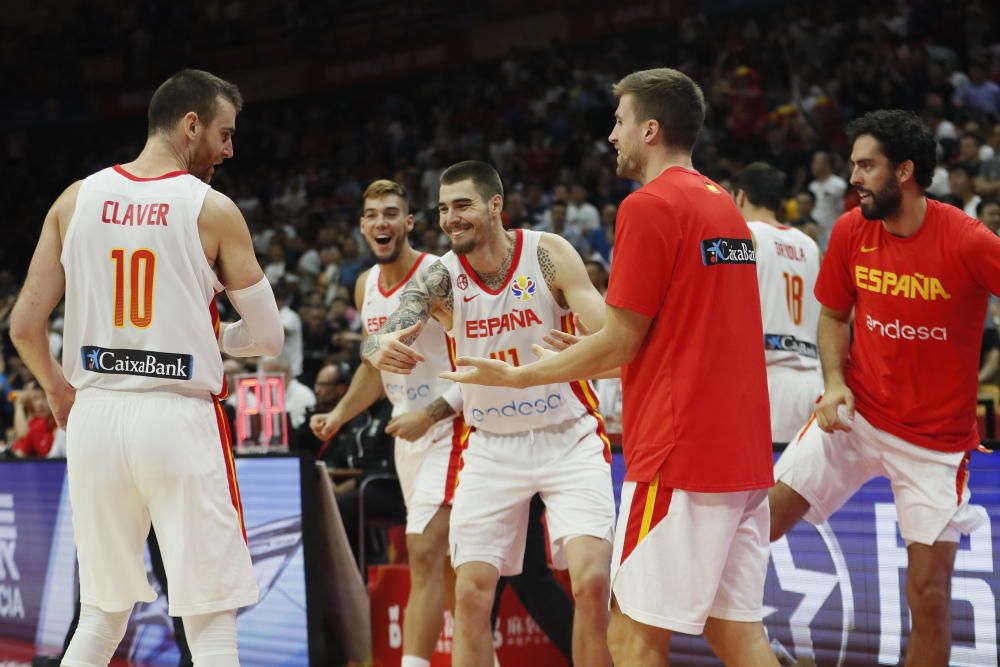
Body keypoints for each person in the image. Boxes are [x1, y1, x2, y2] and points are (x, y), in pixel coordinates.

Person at [440, 70, 777, 666]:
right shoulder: (723, 203)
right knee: (738, 635)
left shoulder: (648, 206)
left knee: (630, 638)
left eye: (619, 121)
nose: (610, 135)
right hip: (745, 456)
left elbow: (619, 340)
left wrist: (518, 376)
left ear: (649, 129)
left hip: (681, 454)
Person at [9, 68, 284, 666]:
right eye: (224, 133)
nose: (229, 150)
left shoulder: (74, 198)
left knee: (102, 615)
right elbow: (268, 337)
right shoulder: (211, 209)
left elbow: (24, 327)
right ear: (191, 125)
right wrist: (214, 338)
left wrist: (56, 389)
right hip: (177, 417)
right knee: (210, 620)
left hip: (96, 416)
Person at [770, 109, 1000, 666]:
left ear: (905, 171)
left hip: (934, 444)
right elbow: (832, 318)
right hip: (856, 415)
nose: (854, 177)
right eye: (852, 164)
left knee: (929, 595)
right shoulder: (852, 229)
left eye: (867, 165)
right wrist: (832, 383)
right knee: (755, 526)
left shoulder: (968, 241)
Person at [363, 160, 615, 667]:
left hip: (568, 436)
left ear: (495, 205)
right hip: (492, 447)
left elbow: (611, 330)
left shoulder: (547, 255)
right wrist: (379, 345)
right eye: (442, 209)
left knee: (591, 582)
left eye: (462, 206)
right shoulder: (442, 279)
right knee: (473, 594)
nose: (450, 218)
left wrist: (589, 343)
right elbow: (384, 331)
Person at [310, 179, 466, 667]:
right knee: (452, 566)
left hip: (451, 425)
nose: (382, 222)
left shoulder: (440, 273)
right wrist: (338, 415)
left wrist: (434, 412)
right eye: (373, 214)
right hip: (406, 434)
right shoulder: (364, 286)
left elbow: (478, 354)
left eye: (392, 213)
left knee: (422, 552)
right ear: (362, 226)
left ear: (409, 222)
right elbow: (371, 368)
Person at [733, 162, 823, 443]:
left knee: (754, 486)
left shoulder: (743, 235)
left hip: (764, 379)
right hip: (813, 379)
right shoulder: (811, 246)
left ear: (741, 196)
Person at [808, 150, 848, 248]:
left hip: (832, 232)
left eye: (816, 162)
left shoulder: (838, 185)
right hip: (815, 231)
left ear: (826, 164)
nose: (812, 165)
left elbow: (843, 209)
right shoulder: (812, 186)